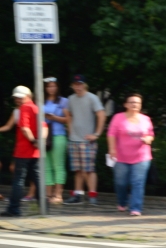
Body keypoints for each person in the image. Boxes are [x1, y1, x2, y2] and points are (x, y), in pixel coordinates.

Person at [107, 93, 154, 216]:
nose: (135, 104)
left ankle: (136, 208)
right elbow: (111, 134)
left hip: (142, 156)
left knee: (138, 182)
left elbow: (150, 134)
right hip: (121, 156)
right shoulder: (118, 118)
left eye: (137, 102)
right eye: (132, 102)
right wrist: (112, 149)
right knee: (120, 182)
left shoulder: (146, 119)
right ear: (126, 104)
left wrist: (148, 139)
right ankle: (122, 202)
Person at [63, 75, 106, 205]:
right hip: (74, 139)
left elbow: (101, 115)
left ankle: (92, 195)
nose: (78, 86)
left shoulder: (92, 98)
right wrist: (70, 132)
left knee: (89, 169)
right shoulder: (70, 99)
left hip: (88, 140)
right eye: (75, 84)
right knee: (77, 169)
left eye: (80, 84)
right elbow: (68, 115)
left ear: (85, 85)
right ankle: (78, 194)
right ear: (72, 85)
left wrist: (97, 134)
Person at [2, 86, 43, 217]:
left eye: (20, 97)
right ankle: (44, 207)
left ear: (28, 96)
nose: (18, 99)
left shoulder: (25, 108)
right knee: (37, 179)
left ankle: (14, 209)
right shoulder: (36, 108)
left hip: (24, 150)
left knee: (19, 180)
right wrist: (39, 141)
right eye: (16, 97)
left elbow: (25, 128)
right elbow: (44, 127)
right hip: (35, 152)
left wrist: (32, 140)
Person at [42, 78, 68, 204]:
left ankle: (58, 195)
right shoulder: (41, 101)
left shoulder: (63, 101)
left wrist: (54, 117)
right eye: (49, 86)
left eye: (53, 86)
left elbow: (68, 119)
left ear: (57, 87)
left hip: (58, 135)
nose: (51, 88)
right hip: (44, 136)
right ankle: (48, 195)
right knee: (46, 166)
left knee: (58, 166)